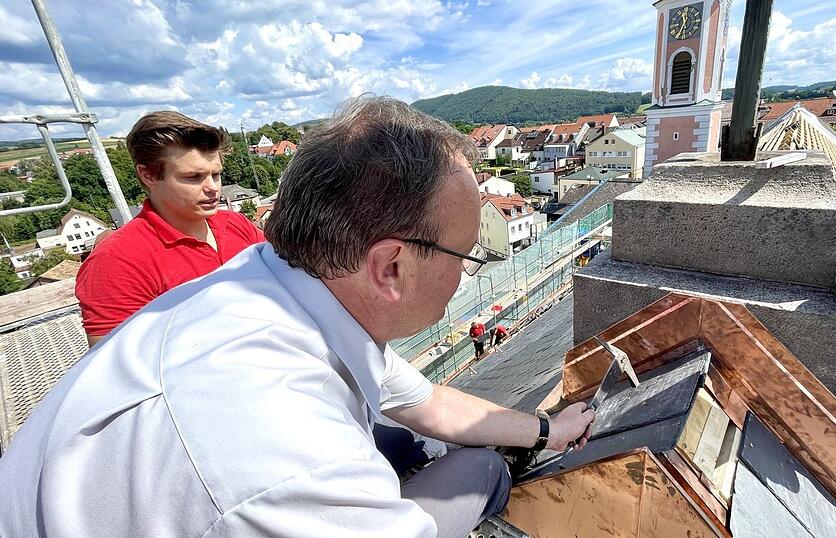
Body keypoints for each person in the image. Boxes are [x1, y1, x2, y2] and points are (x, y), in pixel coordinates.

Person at [0, 96, 595, 538]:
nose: (469, 272)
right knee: (481, 472)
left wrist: (548, 430)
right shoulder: (292, 457)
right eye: (468, 254)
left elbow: (423, 401)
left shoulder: (269, 279)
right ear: (390, 267)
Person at [74, 111, 265, 347]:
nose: (213, 188)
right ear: (148, 175)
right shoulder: (117, 261)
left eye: (216, 175)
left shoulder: (237, 225)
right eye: (194, 177)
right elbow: (112, 364)